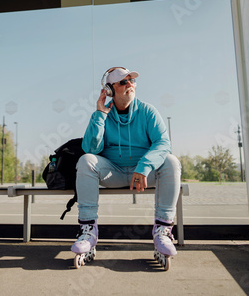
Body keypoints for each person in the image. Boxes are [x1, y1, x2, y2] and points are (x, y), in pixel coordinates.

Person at [71, 66, 182, 263]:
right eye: (123, 82)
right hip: (113, 172)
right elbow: (91, 149)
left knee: (171, 162)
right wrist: (100, 115)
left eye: (132, 80)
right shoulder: (101, 115)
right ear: (110, 90)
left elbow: (163, 143)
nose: (130, 84)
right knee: (85, 160)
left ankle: (163, 231)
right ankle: (88, 231)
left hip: (143, 173)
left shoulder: (148, 111)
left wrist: (144, 166)